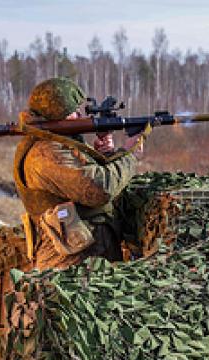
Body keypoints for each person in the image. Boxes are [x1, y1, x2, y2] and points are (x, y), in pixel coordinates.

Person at [14, 77, 144, 269]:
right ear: (57, 114)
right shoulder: (44, 153)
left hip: (88, 259)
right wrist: (129, 155)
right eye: (73, 111)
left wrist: (106, 155)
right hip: (68, 267)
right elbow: (99, 189)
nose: (79, 114)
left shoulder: (58, 143)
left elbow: (87, 177)